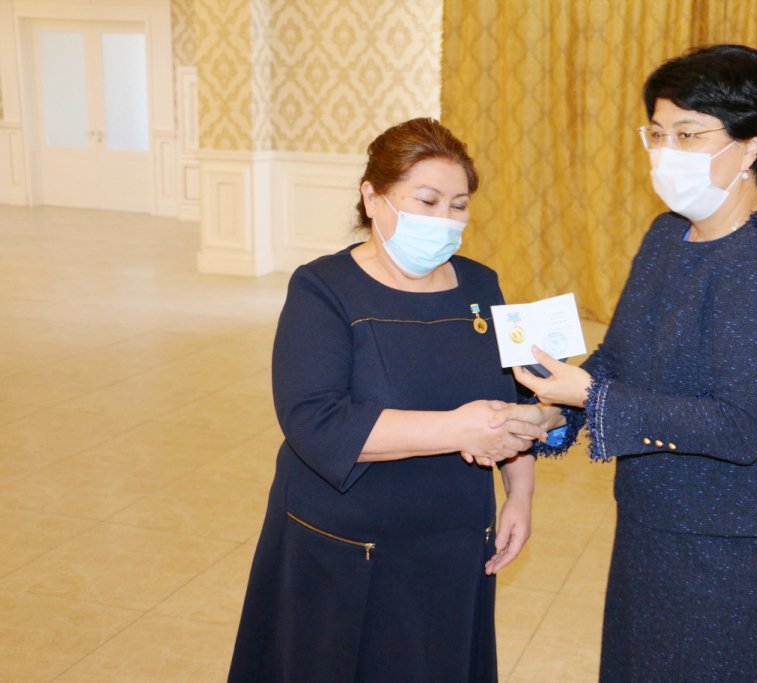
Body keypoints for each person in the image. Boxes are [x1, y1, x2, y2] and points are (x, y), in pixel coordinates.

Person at [505, 44, 757, 681]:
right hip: (652, 513)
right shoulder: (666, 235)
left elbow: (740, 426)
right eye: (657, 133)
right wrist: (552, 413)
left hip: (729, 538)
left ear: (751, 146)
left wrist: (589, 398)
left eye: (688, 133)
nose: (665, 151)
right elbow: (621, 356)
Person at [228, 118, 544, 682]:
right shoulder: (322, 288)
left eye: (458, 206)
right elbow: (317, 422)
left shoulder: (482, 286)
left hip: (453, 538)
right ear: (373, 198)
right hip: (346, 547)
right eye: (426, 201)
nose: (444, 220)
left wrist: (519, 494)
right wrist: (457, 429)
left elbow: (516, 397)